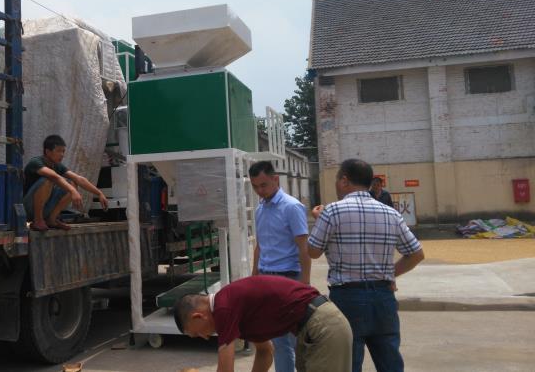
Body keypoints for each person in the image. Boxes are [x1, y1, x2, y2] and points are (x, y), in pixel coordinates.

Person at [308, 159, 425, 372]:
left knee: (349, 363)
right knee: (390, 363)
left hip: (347, 298)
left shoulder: (331, 212)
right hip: (383, 297)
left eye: (337, 180)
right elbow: (416, 254)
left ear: (344, 180)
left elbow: (313, 252)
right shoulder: (391, 214)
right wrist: (389, 274)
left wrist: (320, 221)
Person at [173, 275, 352, 372]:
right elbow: (265, 352)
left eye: (196, 333)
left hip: (323, 326)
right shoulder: (233, 311)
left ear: (198, 316)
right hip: (313, 327)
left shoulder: (223, 308)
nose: (204, 337)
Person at [248, 160, 311, 372]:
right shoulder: (260, 209)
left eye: (263, 185)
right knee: (278, 340)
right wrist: (254, 277)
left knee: (295, 339)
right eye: (255, 186)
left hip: (288, 279)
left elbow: (303, 247)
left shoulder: (292, 207)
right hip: (266, 280)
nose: (260, 190)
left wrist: (305, 284)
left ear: (275, 179)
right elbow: (260, 246)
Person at [23, 135, 108, 231]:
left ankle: (51, 220)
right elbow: (54, 177)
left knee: (72, 183)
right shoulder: (35, 162)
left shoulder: (57, 165)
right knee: (48, 180)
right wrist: (73, 191)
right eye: (58, 151)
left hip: (45, 208)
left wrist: (99, 193)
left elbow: (78, 179)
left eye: (63, 151)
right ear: (47, 152)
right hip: (28, 208)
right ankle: (38, 220)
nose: (62, 154)